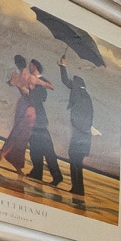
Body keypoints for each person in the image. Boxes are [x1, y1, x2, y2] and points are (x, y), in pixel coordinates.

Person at [0, 54, 46, 174]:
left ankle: (4, 160)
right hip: (28, 108)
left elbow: (9, 83)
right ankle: (13, 164)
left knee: (18, 134)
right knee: (21, 136)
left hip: (23, 106)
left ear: (17, 65)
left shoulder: (16, 76)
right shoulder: (29, 77)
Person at [57, 61, 95, 199]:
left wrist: (62, 66)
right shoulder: (86, 97)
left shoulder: (79, 95)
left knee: (75, 161)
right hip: (84, 137)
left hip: (79, 136)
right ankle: (78, 189)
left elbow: (65, 81)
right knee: (77, 163)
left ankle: (77, 189)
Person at [23, 60, 62, 189]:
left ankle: (57, 176)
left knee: (47, 149)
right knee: (34, 147)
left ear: (35, 66)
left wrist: (34, 87)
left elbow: (44, 95)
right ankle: (37, 172)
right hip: (33, 117)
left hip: (39, 118)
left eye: (31, 65)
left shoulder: (41, 80)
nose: (29, 67)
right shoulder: (32, 80)